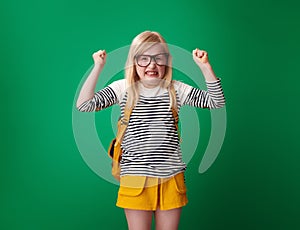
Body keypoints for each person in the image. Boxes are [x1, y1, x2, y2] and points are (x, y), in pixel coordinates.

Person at [76, 31, 225, 230]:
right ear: (133, 61)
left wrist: (205, 67)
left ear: (167, 62)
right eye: (144, 58)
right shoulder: (123, 88)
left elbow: (216, 101)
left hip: (170, 178)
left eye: (158, 58)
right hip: (135, 178)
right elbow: (84, 104)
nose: (152, 65)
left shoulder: (176, 89)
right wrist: (98, 67)